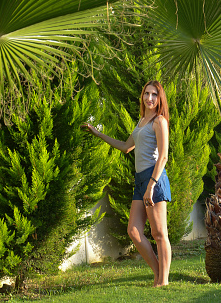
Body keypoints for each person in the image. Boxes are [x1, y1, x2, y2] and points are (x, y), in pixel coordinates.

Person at [81, 80, 171, 287]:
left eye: (154, 95)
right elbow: (125, 146)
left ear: (160, 99)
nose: (149, 98)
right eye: (146, 94)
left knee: (159, 233)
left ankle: (163, 281)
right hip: (140, 180)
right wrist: (98, 133)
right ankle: (158, 273)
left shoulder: (159, 121)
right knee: (134, 231)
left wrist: (151, 185)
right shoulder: (141, 121)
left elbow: (163, 156)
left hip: (153, 179)